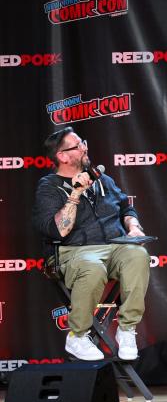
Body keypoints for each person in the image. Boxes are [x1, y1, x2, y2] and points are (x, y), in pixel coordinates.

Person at [31, 128, 150, 362]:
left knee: (138, 255)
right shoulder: (49, 186)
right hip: (73, 251)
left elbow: (127, 208)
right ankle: (78, 335)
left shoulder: (102, 179)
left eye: (82, 142)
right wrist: (75, 193)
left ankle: (127, 330)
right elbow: (58, 230)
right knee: (92, 267)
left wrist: (133, 226)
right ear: (63, 156)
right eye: (77, 146)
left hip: (115, 246)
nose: (85, 147)